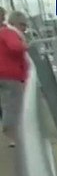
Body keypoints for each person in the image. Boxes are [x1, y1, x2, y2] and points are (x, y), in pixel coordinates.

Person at [0, 11, 30, 148]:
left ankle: (13, 133)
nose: (24, 28)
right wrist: (26, 46)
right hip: (10, 75)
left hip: (7, 75)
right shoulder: (9, 33)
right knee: (13, 105)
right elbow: (15, 47)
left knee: (9, 104)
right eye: (22, 25)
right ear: (14, 23)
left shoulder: (5, 32)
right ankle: (12, 134)